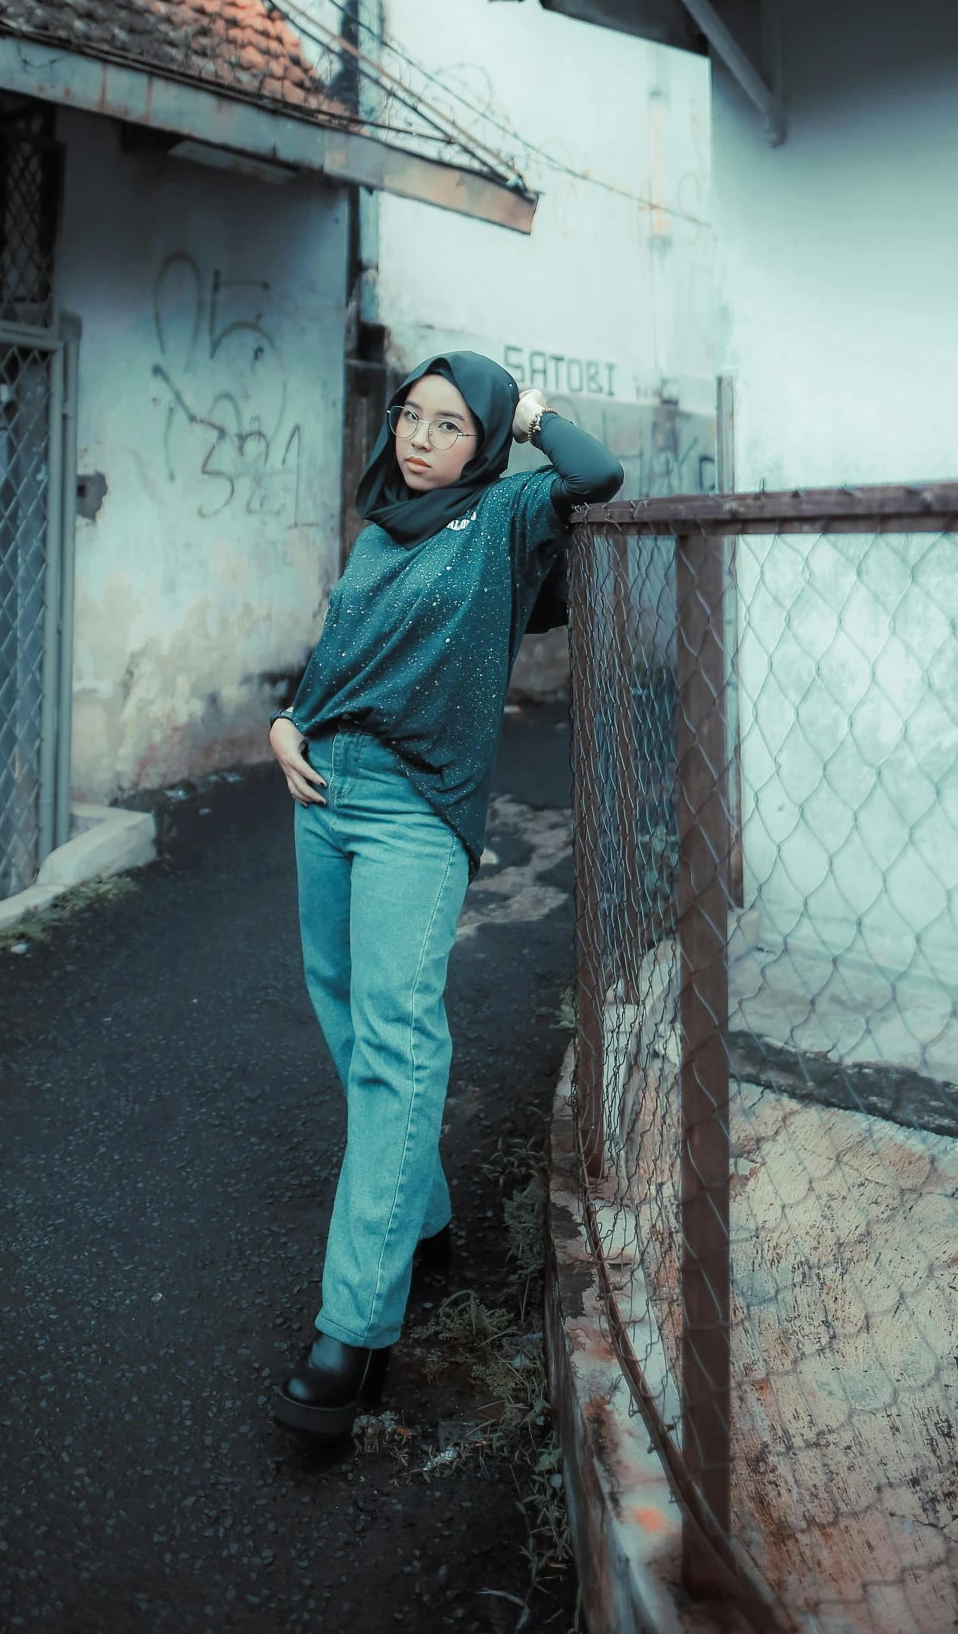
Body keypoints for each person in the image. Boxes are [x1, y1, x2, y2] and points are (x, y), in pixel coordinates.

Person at [267, 352, 623, 1438]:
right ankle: (416, 1214)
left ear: (489, 440)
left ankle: (355, 1331)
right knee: (337, 1001)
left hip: (417, 808)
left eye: (451, 425)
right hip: (321, 784)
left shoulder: (507, 517)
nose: (421, 440)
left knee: (394, 1039)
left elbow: (597, 473)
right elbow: (342, 648)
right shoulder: (381, 530)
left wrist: (537, 415)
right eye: (411, 419)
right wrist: (289, 717)